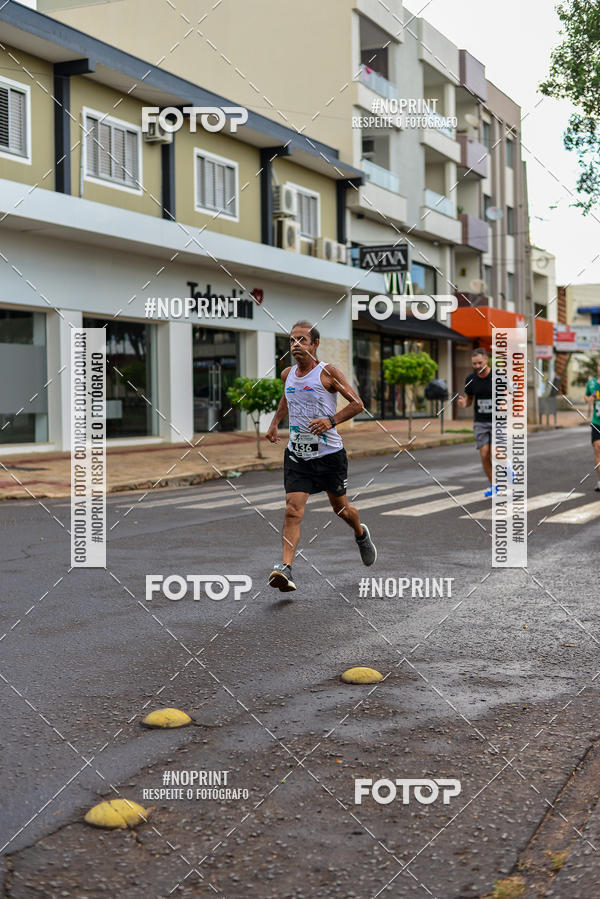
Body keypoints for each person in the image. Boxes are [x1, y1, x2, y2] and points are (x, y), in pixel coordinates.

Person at [265, 320, 377, 592]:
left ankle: (361, 534)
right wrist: (274, 422)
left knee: (341, 509)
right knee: (292, 510)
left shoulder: (328, 373)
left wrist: (330, 420)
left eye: (302, 340)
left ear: (314, 344)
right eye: (292, 340)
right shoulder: (287, 374)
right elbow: (287, 398)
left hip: (329, 455)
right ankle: (286, 568)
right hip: (298, 455)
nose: (296, 344)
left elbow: (357, 404)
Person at [457, 347, 495, 497]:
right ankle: (494, 485)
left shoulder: (498, 376)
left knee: (496, 452)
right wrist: (464, 403)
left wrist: (505, 403)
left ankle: (509, 473)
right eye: (474, 364)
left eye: (480, 363)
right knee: (484, 453)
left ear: (486, 360)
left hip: (498, 421)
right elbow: (469, 400)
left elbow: (510, 395)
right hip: (480, 421)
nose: (477, 366)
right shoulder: (470, 379)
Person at [584, 359, 600, 491]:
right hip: (596, 422)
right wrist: (591, 398)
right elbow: (586, 398)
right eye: (599, 365)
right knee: (597, 449)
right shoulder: (592, 383)